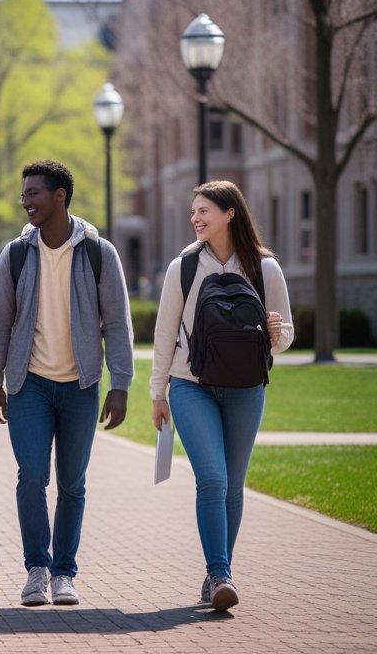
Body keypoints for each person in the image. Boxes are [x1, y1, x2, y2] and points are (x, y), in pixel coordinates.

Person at [0, 160, 134, 608]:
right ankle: (36, 569)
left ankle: (64, 573)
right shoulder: (16, 254)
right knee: (31, 477)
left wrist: (120, 384)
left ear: (60, 196)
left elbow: (118, 324)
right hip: (28, 384)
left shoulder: (98, 252)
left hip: (80, 386)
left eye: (34, 193)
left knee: (72, 482)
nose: (25, 201)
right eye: (24, 194)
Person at [150, 180, 293, 612]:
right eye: (193, 212)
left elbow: (284, 334)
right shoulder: (185, 267)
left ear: (230, 213)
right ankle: (220, 575)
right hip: (191, 386)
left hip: (247, 388)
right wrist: (158, 392)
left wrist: (277, 334)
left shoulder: (266, 269)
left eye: (204, 211)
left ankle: (216, 574)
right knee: (211, 478)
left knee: (233, 485)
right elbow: (163, 332)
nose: (195, 218)